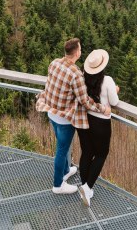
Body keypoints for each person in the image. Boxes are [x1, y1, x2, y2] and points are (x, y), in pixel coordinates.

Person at [36, 38, 111, 195]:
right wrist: (102, 108)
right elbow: (84, 101)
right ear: (77, 52)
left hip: (51, 112)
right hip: (64, 118)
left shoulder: (55, 62)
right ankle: (58, 185)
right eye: (81, 49)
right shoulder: (76, 74)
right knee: (62, 150)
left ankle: (65, 171)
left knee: (62, 146)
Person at [77, 49, 119, 207]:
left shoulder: (81, 77)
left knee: (87, 152)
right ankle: (87, 188)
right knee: (101, 154)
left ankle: (84, 185)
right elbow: (114, 102)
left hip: (84, 119)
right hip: (101, 123)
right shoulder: (107, 81)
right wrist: (115, 91)